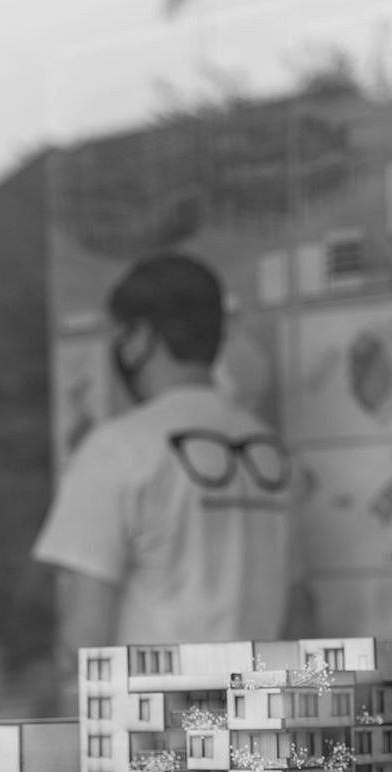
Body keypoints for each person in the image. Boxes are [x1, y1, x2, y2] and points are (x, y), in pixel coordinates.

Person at [32, 251, 304, 705]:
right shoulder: (273, 454)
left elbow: (85, 632)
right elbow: (296, 611)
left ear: (141, 338)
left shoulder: (119, 448)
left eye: (121, 333)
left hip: (158, 742)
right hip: (256, 730)